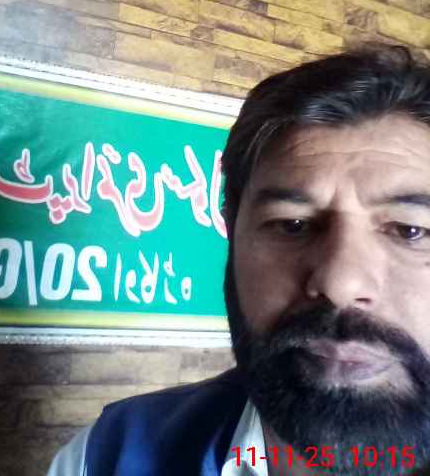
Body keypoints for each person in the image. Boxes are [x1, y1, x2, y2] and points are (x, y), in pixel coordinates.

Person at [47, 45, 430, 475]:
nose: (340, 283)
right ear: (232, 233)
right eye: (292, 224)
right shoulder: (108, 455)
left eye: (410, 231)